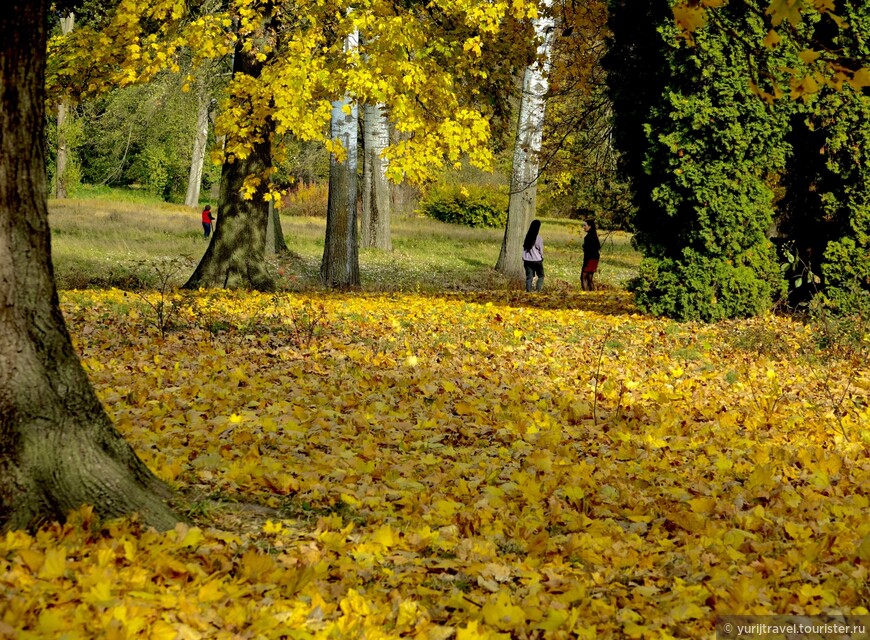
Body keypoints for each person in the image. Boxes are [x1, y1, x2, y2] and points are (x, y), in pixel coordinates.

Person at [522, 219, 544, 292]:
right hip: (537, 260)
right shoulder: (538, 238)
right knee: (541, 275)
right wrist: (542, 256)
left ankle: (528, 291)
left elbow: (524, 247)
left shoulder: (526, 237)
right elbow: (540, 250)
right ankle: (538, 290)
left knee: (529, 277)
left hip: (527, 260)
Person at [581, 218, 601, 291]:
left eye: (585, 225)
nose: (584, 227)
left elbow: (587, 250)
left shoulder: (587, 237)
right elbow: (598, 247)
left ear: (590, 226)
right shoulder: (595, 236)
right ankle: (592, 294)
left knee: (583, 277)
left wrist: (584, 247)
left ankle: (585, 294)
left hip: (589, 259)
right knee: (590, 278)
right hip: (595, 258)